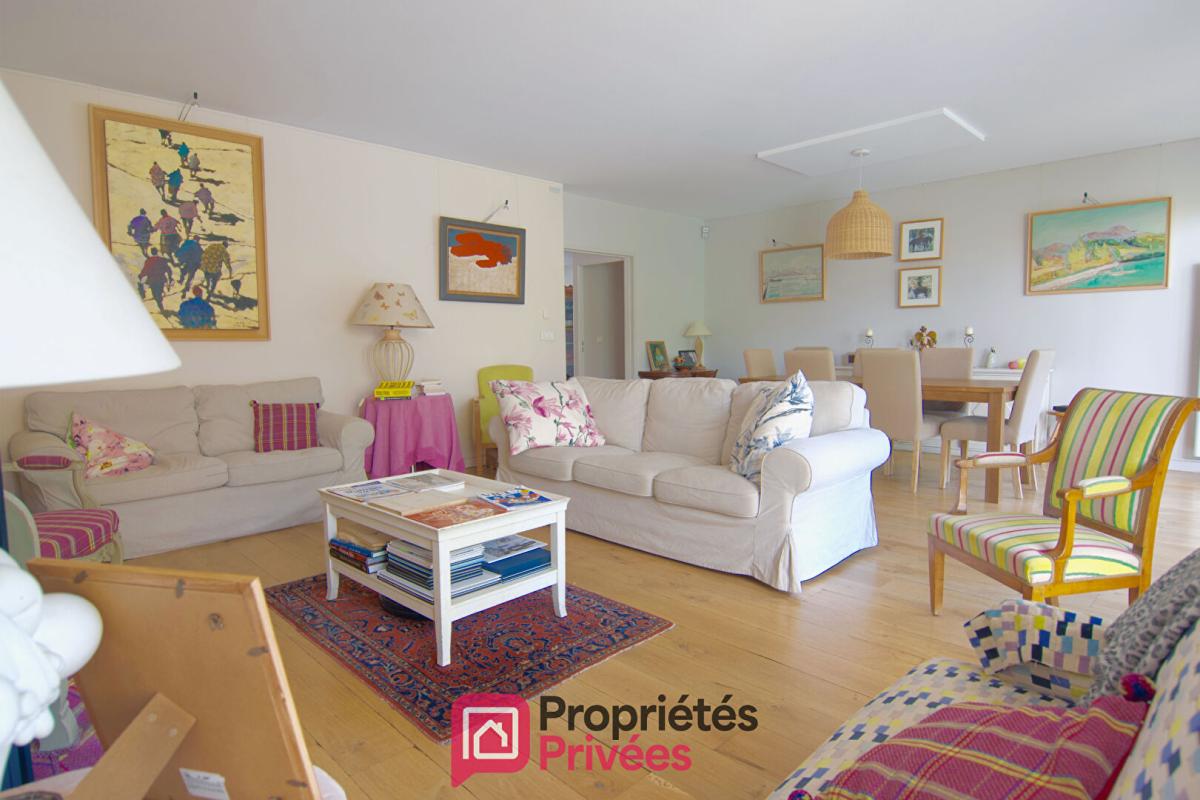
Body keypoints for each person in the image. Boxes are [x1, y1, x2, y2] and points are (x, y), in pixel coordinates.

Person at [138, 247, 174, 313]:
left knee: (155, 293)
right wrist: (170, 277)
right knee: (159, 292)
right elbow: (168, 269)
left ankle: (160, 305)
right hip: (161, 279)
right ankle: (160, 301)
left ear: (151, 253)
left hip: (152, 280)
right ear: (157, 252)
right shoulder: (162, 260)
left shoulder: (149, 260)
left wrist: (141, 275)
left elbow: (145, 270)